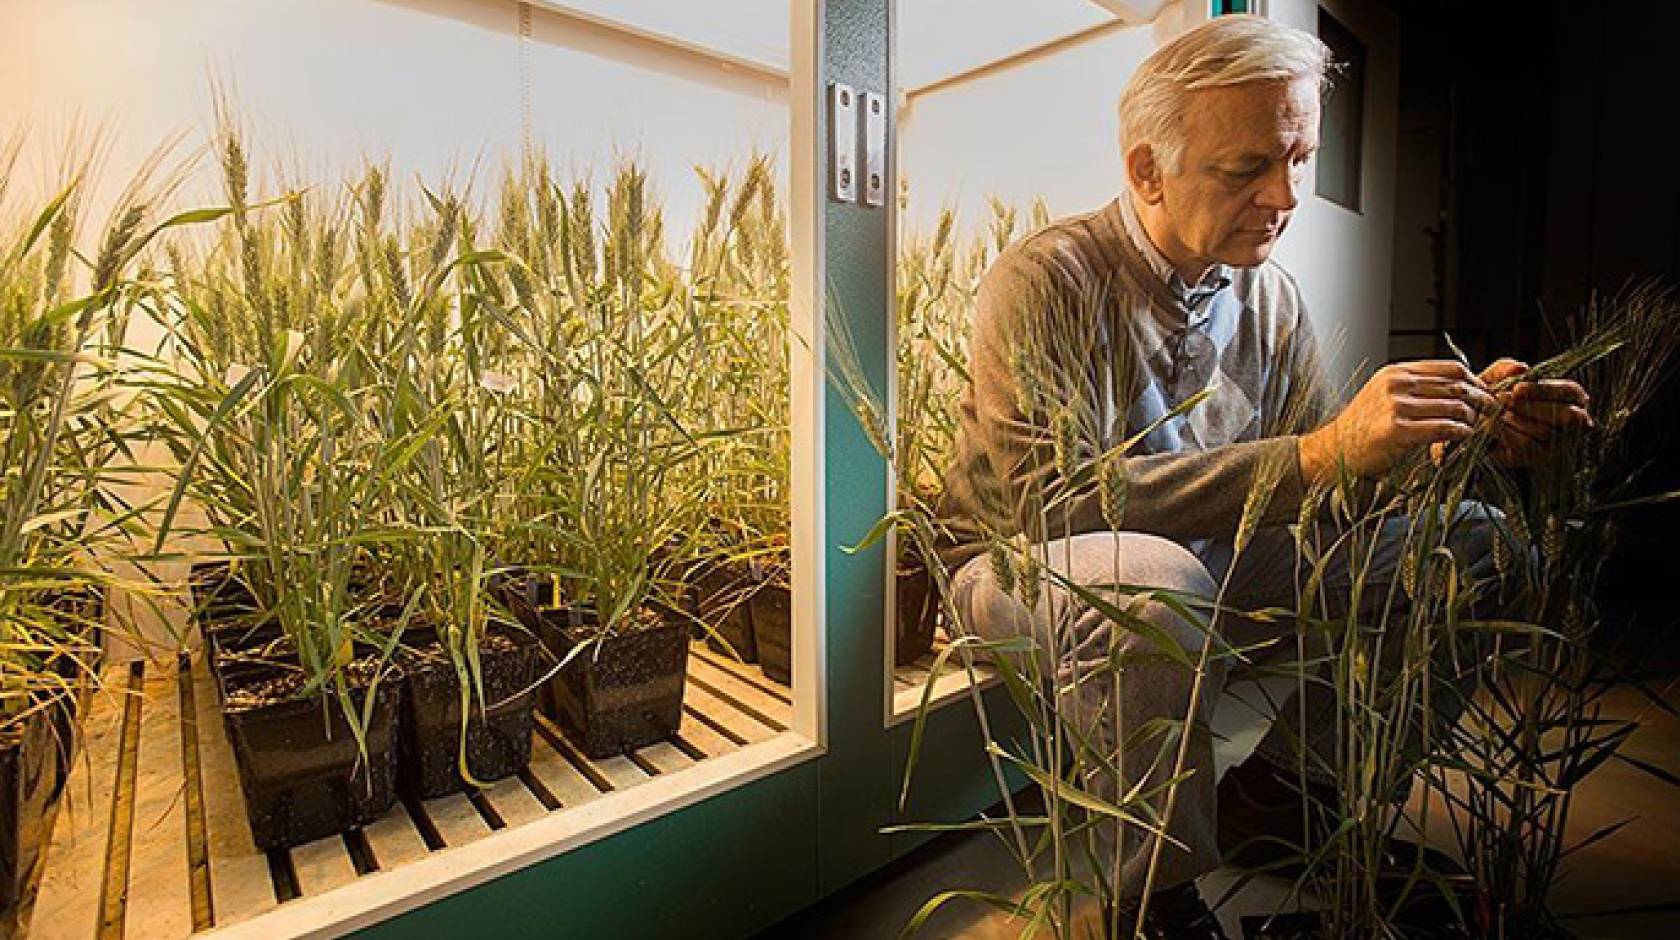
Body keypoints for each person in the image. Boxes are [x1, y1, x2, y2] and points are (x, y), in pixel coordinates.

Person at [935, 14, 1591, 938]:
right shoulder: (1049, 278)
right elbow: (1056, 501)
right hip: (1015, 569)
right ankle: (1152, 893)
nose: (1284, 195)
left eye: (1300, 157)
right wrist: (1323, 451)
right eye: (1247, 167)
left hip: (1213, 565)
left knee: (1482, 540)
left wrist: (1449, 445)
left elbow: (1321, 495)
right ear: (1146, 170)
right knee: (1152, 582)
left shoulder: (1272, 297)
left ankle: (1290, 801)